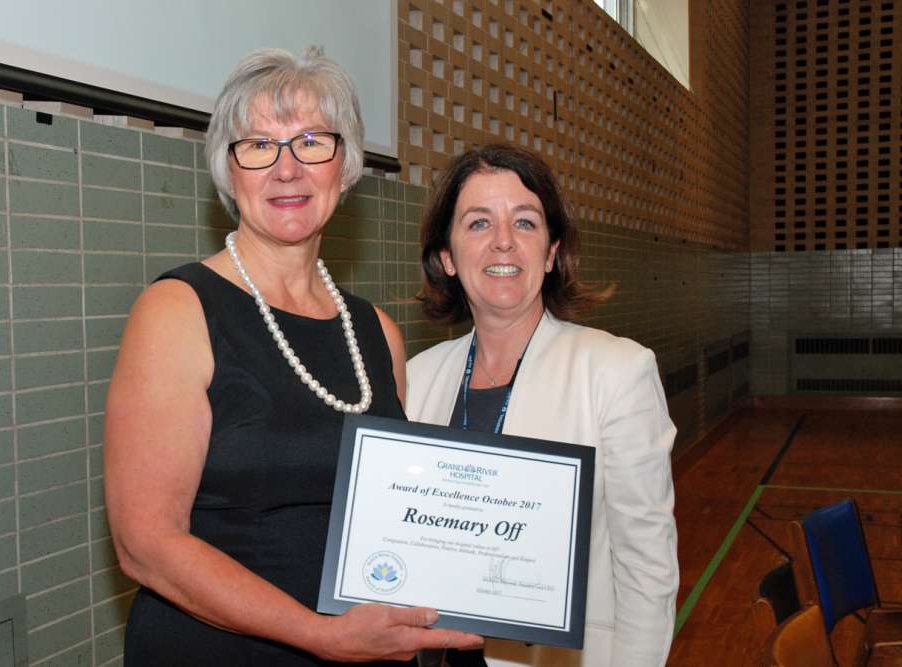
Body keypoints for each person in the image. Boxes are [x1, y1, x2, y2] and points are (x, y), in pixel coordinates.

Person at [104, 48, 483, 666]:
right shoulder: (178, 311)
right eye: (258, 145)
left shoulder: (377, 332)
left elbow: (395, 520)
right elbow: (146, 544)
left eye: (311, 142)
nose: (287, 169)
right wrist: (322, 636)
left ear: (346, 165)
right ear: (230, 172)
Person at [406, 144, 679, 667]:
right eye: (479, 223)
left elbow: (648, 569)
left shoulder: (615, 372)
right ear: (447, 256)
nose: (503, 242)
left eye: (525, 223)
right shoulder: (417, 380)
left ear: (551, 252)